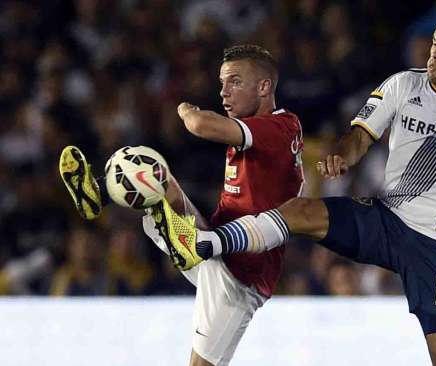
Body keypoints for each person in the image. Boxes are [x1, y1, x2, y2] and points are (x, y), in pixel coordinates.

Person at [156, 16, 436, 365]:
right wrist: (343, 156)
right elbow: (360, 136)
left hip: (435, 244)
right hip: (385, 218)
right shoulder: (402, 85)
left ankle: (205, 237)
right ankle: (210, 241)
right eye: (434, 44)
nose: (434, 54)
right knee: (298, 210)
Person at [58, 44, 304, 366]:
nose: (223, 92)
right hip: (212, 245)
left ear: (264, 86)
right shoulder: (263, 130)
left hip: (239, 277)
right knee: (156, 175)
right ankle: (99, 195)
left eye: (234, 82)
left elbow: (201, 125)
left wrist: (186, 109)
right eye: (221, 83)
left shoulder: (277, 128)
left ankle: (179, 235)